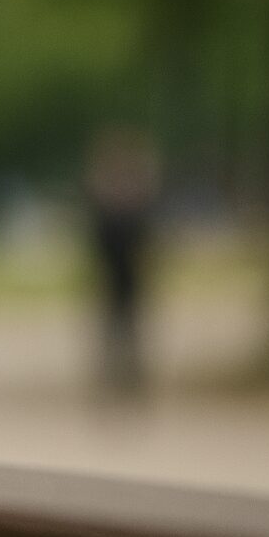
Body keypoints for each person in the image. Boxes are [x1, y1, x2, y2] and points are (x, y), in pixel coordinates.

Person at [83, 127, 161, 396]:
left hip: (131, 278)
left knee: (131, 331)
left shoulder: (135, 210)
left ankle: (131, 378)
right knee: (113, 331)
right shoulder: (107, 209)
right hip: (112, 278)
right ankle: (114, 378)